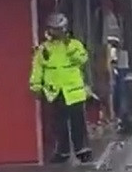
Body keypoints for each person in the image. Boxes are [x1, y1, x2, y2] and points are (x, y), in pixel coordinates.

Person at [29, 12, 93, 163]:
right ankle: (63, 152)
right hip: (55, 91)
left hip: (74, 91)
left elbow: (82, 59)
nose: (56, 32)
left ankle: (82, 150)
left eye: (59, 29)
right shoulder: (44, 48)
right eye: (53, 29)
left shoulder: (74, 44)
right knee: (59, 124)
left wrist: (68, 45)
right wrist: (35, 86)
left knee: (78, 122)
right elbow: (38, 68)